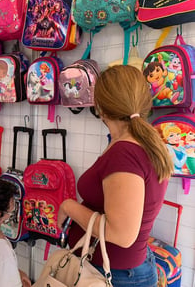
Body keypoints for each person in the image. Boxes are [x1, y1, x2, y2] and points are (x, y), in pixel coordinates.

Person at [57, 65, 174, 287]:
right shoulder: (140, 143)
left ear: (100, 106)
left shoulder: (125, 152)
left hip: (114, 275)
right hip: (119, 269)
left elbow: (121, 234)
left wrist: (69, 206)